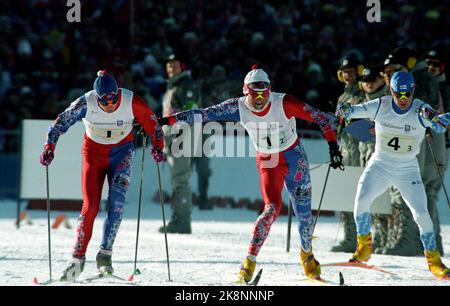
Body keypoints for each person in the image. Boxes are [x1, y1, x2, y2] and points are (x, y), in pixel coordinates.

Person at [158, 65, 344, 282]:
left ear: (270, 91)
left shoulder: (284, 102)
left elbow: (320, 117)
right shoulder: (238, 106)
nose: (258, 100)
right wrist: (165, 121)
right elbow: (202, 115)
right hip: (269, 162)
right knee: (271, 209)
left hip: (294, 158)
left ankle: (307, 256)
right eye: (254, 95)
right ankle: (248, 264)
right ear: (246, 91)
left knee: (304, 215)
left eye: (263, 94)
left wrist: (333, 147)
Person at [39, 70, 165, 281]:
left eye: (113, 100)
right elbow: (60, 123)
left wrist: (158, 147)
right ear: (96, 98)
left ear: (118, 93)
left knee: (116, 204)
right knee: (90, 208)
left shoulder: (130, 100)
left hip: (122, 153)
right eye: (104, 102)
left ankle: (105, 255)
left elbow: (153, 125)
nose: (109, 105)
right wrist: (49, 146)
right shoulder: (85, 102)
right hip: (93, 154)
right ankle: (76, 260)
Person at [337, 71, 450, 279]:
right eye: (399, 94)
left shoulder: (420, 109)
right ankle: (364, 248)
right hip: (380, 165)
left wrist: (438, 120)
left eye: (408, 94)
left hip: (407, 169)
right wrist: (344, 109)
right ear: (392, 91)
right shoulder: (381, 105)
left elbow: (439, 127)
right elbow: (353, 111)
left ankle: (434, 262)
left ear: (413, 90)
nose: (404, 99)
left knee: (422, 215)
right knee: (360, 202)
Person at [382, 47, 443, 256]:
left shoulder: (420, 80)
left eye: (395, 69)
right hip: (428, 141)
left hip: (425, 142)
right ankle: (430, 243)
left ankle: (411, 241)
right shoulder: (420, 78)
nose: (392, 75)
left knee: (417, 189)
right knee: (424, 191)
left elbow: (427, 112)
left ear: (408, 63)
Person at [161, 54, 206, 233]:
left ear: (183, 67)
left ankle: (182, 221)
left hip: (181, 138)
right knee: (177, 180)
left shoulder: (186, 85)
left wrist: (179, 138)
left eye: (175, 65)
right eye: (169, 65)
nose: (172, 69)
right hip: (173, 138)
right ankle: (178, 218)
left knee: (180, 180)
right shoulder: (174, 86)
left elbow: (192, 114)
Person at [331, 56, 365, 253]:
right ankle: (349, 237)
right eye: (345, 72)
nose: (348, 76)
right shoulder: (342, 98)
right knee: (346, 193)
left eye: (352, 72)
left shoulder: (363, 92)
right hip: (346, 148)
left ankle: (363, 238)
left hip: (360, 148)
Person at [358, 66, 389, 254]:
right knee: (369, 199)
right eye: (365, 80)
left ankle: (388, 238)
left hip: (385, 157)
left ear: (381, 80)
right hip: (365, 151)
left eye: (373, 80)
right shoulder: (362, 101)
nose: (369, 84)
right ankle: (377, 237)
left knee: (386, 199)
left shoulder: (387, 100)